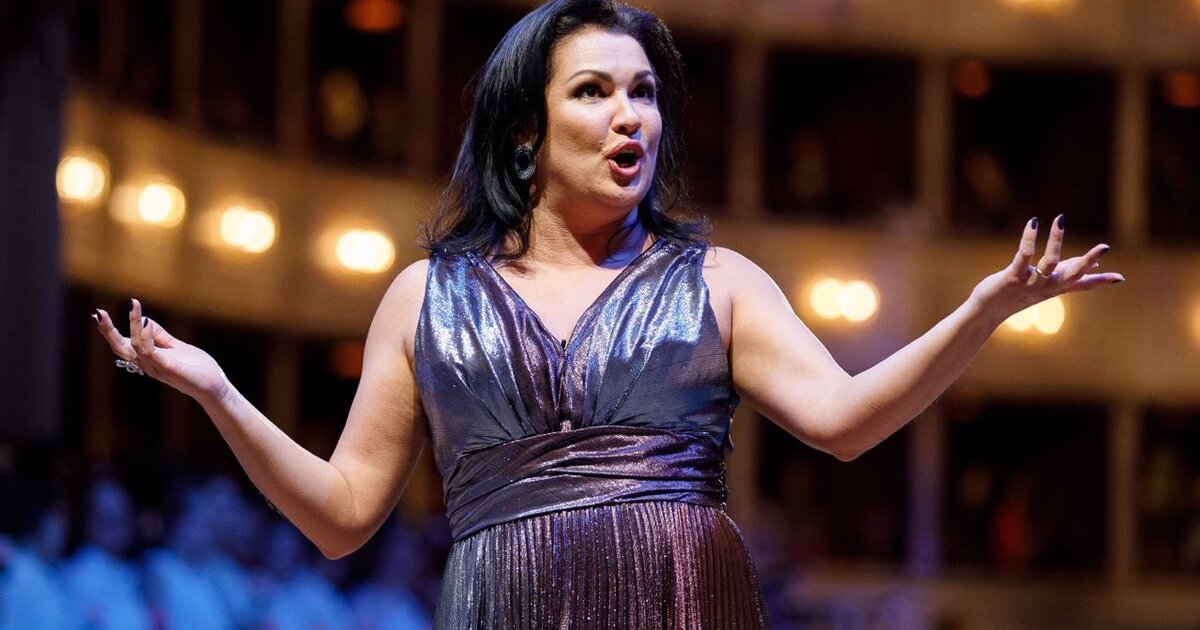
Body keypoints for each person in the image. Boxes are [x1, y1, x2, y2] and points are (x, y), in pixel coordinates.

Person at [91, 0, 1124, 627]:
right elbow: (341, 517)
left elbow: (845, 424)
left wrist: (982, 311)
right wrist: (220, 392)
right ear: (525, 132)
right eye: (594, 91)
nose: (632, 115)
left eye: (645, 92)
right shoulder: (427, 298)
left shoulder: (717, 282)